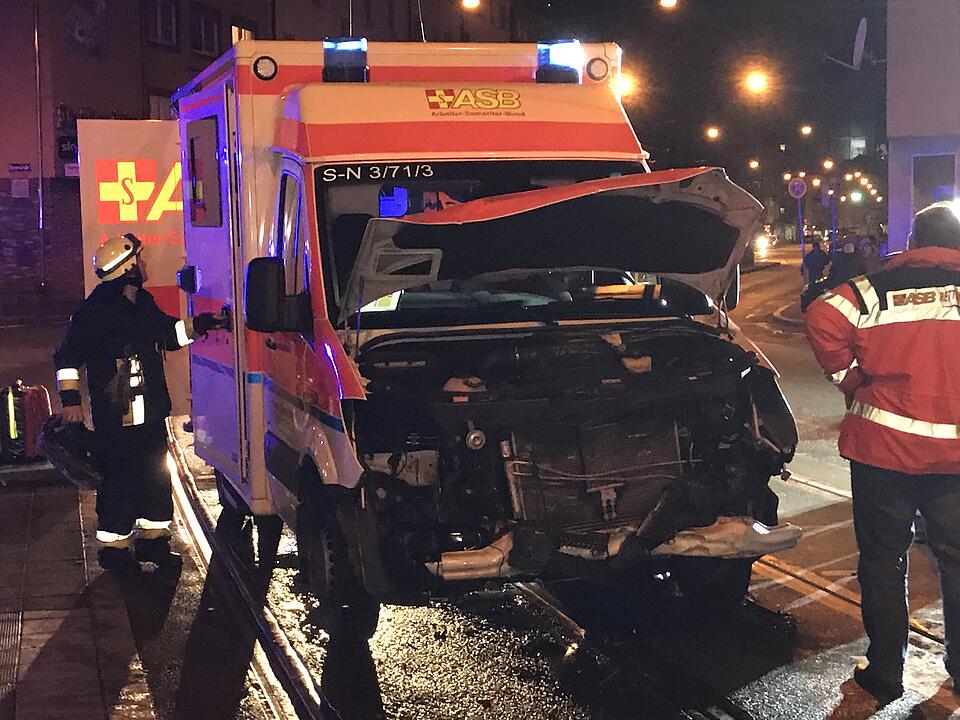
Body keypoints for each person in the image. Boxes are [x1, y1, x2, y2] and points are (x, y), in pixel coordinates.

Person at [804, 202, 960, 704]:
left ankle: (886, 671)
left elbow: (821, 315)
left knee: (883, 561)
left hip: (883, 453)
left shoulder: (869, 292)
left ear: (912, 242)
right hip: (956, 461)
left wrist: (852, 381)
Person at [54, 234, 224, 574]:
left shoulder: (142, 303)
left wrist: (200, 325)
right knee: (118, 482)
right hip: (115, 419)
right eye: (139, 261)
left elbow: (168, 335)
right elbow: (66, 359)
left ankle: (154, 542)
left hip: (150, 416)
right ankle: (115, 551)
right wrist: (71, 402)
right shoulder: (93, 313)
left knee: (156, 479)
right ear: (127, 270)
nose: (144, 265)